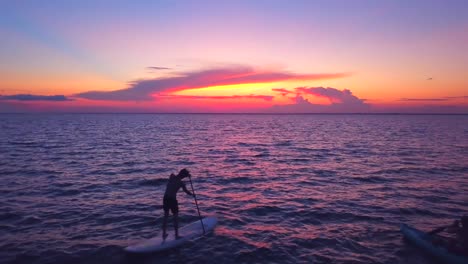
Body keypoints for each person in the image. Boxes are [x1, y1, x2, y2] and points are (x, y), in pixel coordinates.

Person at [162, 168, 193, 240]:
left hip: (165, 198)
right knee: (175, 217)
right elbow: (186, 191)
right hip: (172, 200)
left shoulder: (171, 176)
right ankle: (176, 235)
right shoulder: (181, 183)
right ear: (183, 176)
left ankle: (164, 234)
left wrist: (186, 175)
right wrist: (192, 195)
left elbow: (176, 178)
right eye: (185, 176)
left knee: (166, 216)